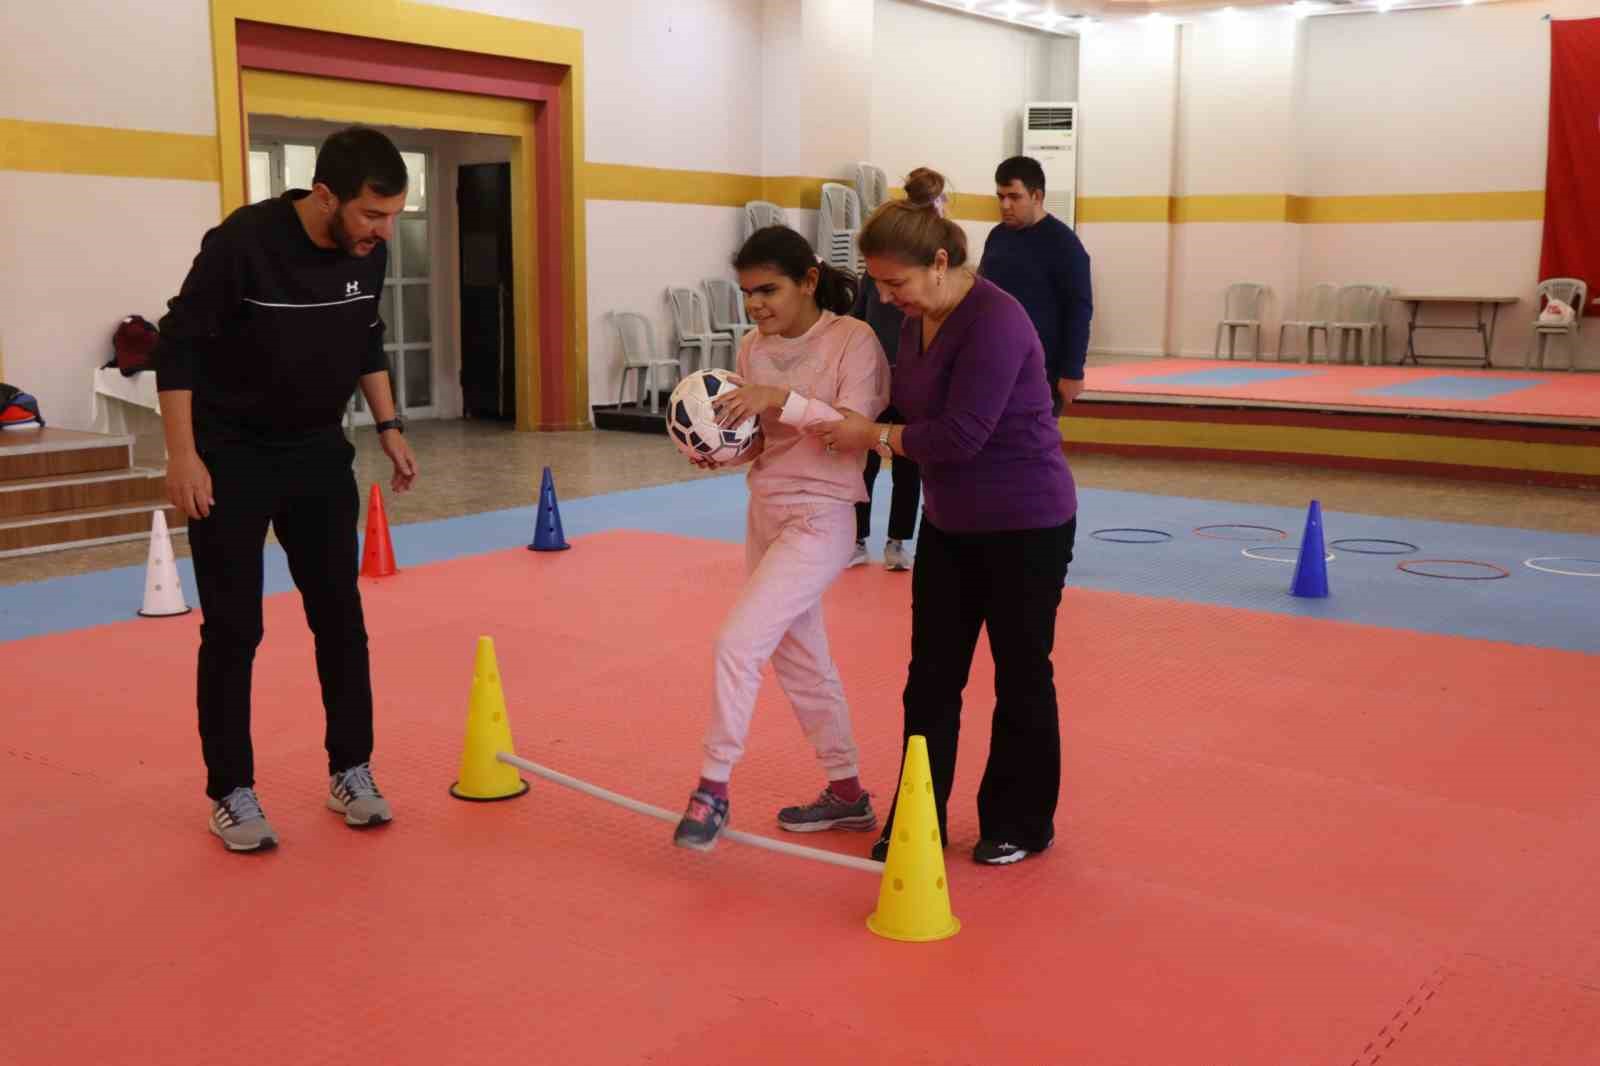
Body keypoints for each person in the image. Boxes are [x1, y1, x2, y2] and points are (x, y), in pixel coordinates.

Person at [154, 126, 420, 853]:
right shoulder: (242, 244)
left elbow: (365, 338)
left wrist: (390, 426)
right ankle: (230, 790)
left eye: (393, 216)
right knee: (234, 629)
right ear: (325, 196)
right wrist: (183, 456)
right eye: (372, 214)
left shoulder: (369, 251)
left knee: (340, 618)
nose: (383, 231)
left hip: (316, 453)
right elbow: (177, 349)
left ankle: (350, 770)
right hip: (230, 457)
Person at [816, 168, 1078, 867]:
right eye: (877, 284)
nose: (886, 297)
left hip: (1027, 524)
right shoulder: (916, 322)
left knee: (1021, 674)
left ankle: (1021, 822)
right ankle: (917, 817)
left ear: (939, 261)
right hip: (952, 524)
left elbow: (960, 436)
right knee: (930, 678)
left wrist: (872, 436)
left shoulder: (997, 320)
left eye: (895, 282)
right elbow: (907, 408)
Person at [671, 225, 891, 852]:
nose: (756, 305)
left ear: (809, 281)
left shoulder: (854, 340)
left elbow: (855, 428)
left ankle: (713, 788)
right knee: (801, 659)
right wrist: (720, 450)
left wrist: (780, 397)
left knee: (737, 643)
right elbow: (765, 441)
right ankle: (847, 792)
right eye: (747, 293)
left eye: (768, 290)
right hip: (766, 512)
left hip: (822, 517)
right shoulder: (752, 347)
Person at [978, 155, 1093, 415]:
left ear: (1037, 196)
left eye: (1014, 197)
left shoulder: (1064, 244)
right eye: (1000, 197)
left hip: (1042, 368)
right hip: (995, 361)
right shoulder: (997, 236)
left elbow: (1079, 311)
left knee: (1033, 437)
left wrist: (1072, 371)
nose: (1005, 205)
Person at [848, 253, 920, 572]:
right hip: (873, 382)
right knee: (865, 465)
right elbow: (856, 322)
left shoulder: (919, 278)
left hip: (912, 384)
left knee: (908, 467)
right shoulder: (870, 277)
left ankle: (897, 543)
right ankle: (856, 539)